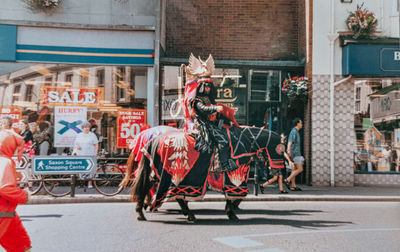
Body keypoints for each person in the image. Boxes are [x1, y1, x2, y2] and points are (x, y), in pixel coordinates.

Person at [189, 77, 238, 172]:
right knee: (223, 141)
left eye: (209, 87)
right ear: (201, 87)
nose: (208, 89)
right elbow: (203, 109)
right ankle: (224, 165)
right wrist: (215, 108)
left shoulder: (210, 100)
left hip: (211, 124)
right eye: (206, 87)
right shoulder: (197, 100)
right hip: (203, 125)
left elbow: (217, 115)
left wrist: (228, 121)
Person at [0, 116, 32, 252]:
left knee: (22, 246)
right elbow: (5, 188)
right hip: (3, 213)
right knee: (21, 246)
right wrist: (24, 195)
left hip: (8, 213)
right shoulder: (4, 161)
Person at [73, 121, 99, 188]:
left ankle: (89, 183)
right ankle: (82, 183)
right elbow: (75, 144)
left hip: (90, 154)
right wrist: (77, 147)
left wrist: (95, 153)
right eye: (85, 127)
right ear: (82, 128)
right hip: (81, 154)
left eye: (88, 127)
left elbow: (96, 145)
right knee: (82, 169)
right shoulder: (79, 135)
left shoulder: (92, 135)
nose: (86, 128)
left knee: (90, 169)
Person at [284, 118, 304, 191]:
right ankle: (287, 179)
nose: (302, 125)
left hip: (294, 153)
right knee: (300, 169)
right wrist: (288, 151)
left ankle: (293, 186)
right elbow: (290, 142)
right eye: (301, 123)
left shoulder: (295, 131)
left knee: (294, 169)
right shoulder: (294, 132)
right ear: (297, 124)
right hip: (295, 153)